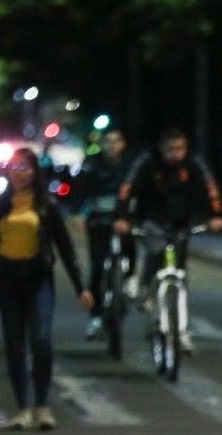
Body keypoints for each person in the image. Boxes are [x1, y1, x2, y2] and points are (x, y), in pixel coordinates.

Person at [0, 148, 94, 430]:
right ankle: (22, 408)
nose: (19, 173)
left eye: (25, 168)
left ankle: (42, 406)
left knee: (41, 341)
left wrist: (81, 287)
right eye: (14, 167)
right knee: (15, 344)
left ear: (34, 171)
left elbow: (65, 248)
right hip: (6, 280)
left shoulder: (45, 204)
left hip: (38, 280)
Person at [112, 127, 222, 353]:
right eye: (170, 149)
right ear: (161, 148)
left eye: (180, 149)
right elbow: (127, 188)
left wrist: (216, 215)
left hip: (181, 224)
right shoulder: (147, 161)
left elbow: (210, 187)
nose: (175, 154)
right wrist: (121, 217)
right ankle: (143, 288)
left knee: (179, 276)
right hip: (151, 221)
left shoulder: (194, 163)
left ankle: (182, 333)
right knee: (154, 255)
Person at [75, 126, 134, 339]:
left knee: (130, 254)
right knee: (98, 267)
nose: (112, 146)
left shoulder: (130, 165)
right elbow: (80, 190)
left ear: (123, 144)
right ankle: (96, 316)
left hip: (124, 219)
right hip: (98, 220)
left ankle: (129, 284)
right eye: (108, 142)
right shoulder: (92, 163)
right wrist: (80, 215)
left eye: (116, 141)